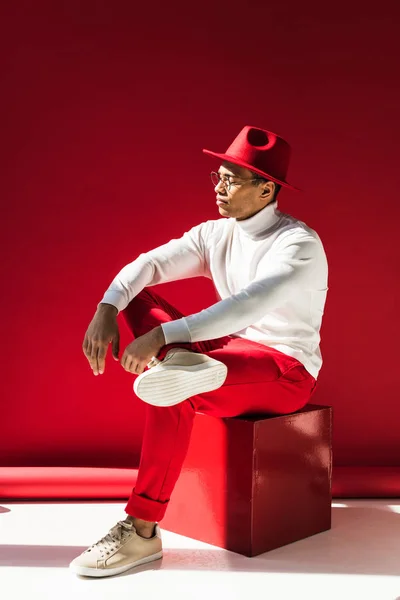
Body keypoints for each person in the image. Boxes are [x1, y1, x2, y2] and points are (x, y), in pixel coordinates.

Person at [70, 125, 329, 577]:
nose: (220, 187)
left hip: (284, 370)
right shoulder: (216, 233)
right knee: (134, 293)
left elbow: (248, 303)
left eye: (232, 179)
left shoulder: (298, 244)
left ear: (266, 188)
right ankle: (185, 366)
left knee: (176, 390)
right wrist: (106, 306)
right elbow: (150, 263)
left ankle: (142, 531)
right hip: (226, 349)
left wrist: (162, 338)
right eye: (218, 176)